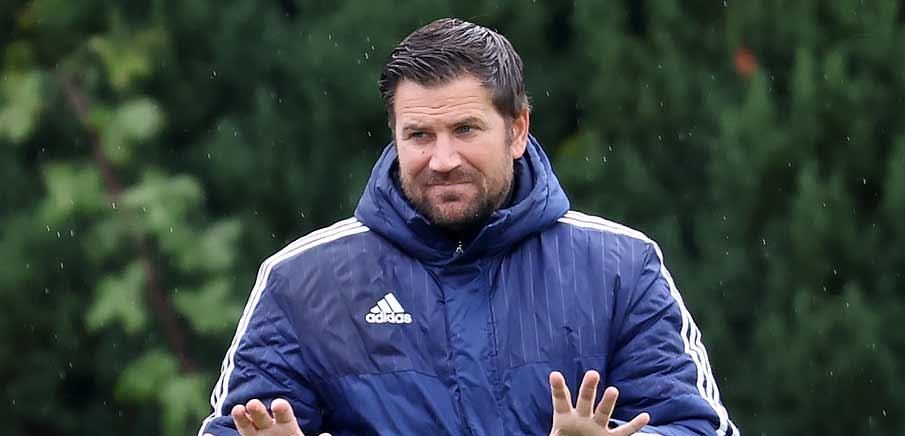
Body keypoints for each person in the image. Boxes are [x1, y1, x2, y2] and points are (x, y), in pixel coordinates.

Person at [197, 17, 740, 436]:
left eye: (465, 129)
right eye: (419, 135)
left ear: (518, 129)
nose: (442, 160)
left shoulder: (620, 267)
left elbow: (698, 427)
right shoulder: (301, 281)